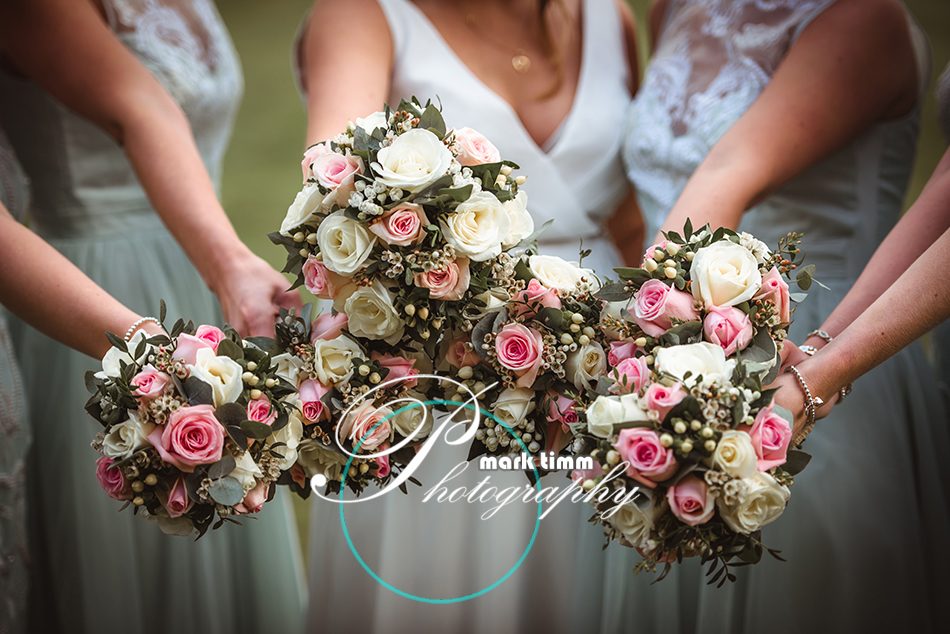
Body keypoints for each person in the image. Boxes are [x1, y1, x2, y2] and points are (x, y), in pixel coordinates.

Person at [581, 0, 950, 632]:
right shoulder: (675, 7)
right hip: (679, 341)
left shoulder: (864, 19)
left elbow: (729, 174)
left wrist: (633, 351)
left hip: (807, 354)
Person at [294, 0, 639, 631]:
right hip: (434, 372)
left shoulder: (608, 17)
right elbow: (331, 191)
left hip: (592, 359)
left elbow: (628, 212)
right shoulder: (365, 14)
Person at [0, 1, 306, 632]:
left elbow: (160, 107)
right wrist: (146, 339)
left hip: (196, 266)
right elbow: (136, 105)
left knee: (234, 482)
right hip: (91, 293)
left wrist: (229, 266)